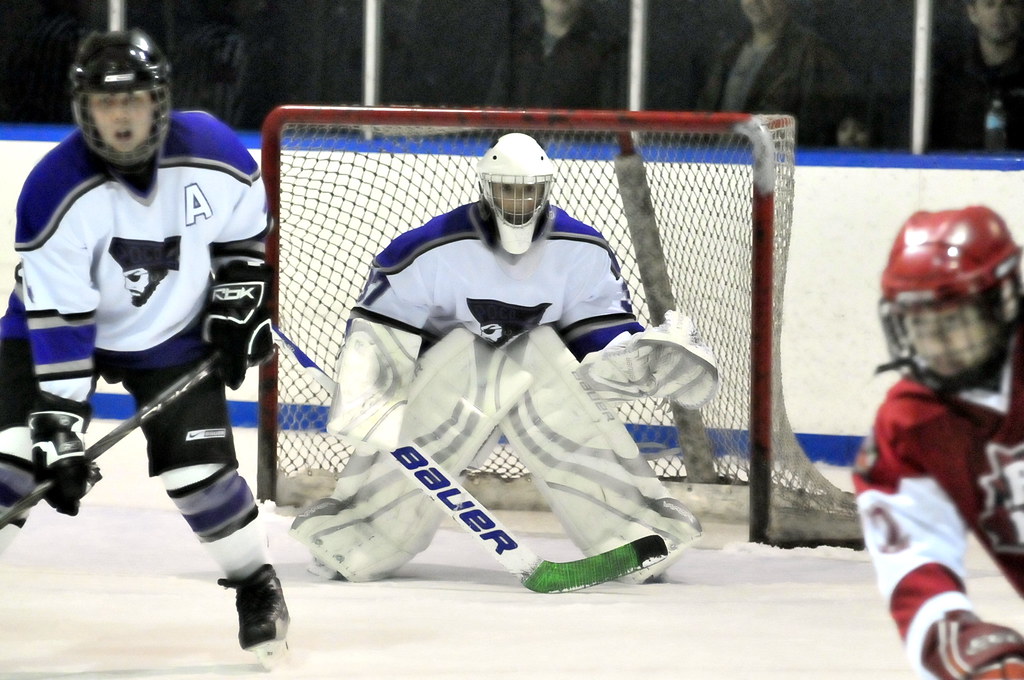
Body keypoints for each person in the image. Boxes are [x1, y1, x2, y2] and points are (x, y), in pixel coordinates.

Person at [289, 132, 718, 584]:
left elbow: (596, 329)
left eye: (528, 189)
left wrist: (635, 357)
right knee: (471, 357)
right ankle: (359, 531)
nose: (518, 199)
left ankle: (630, 529)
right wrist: (369, 390)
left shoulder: (580, 249)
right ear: (487, 187)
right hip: (444, 388)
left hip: (537, 387)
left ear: (545, 189)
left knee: (539, 357)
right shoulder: (429, 249)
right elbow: (381, 329)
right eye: (508, 188)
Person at [0, 29, 288, 666]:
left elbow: (246, 242)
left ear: (160, 101)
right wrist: (61, 433)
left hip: (171, 333)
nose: (122, 116)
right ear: (83, 110)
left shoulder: (215, 152)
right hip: (52, 337)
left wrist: (236, 311)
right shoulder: (53, 191)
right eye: (107, 104)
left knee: (201, 479)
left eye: (133, 99)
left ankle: (256, 584)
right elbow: (61, 325)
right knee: (12, 461)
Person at [854, 205, 1024, 679]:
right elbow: (914, 561)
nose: (940, 346)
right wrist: (948, 637)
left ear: (1002, 302)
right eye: (923, 328)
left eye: (953, 324)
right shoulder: (909, 426)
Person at [695, 0, 867, 147]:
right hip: (721, 171)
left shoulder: (813, 55)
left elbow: (820, 127)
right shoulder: (728, 54)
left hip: (782, 173)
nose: (754, 1)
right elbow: (701, 121)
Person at [485, 0, 626, 109]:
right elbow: (495, 104)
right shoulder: (518, 43)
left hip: (576, 145)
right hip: (516, 143)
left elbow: (607, 121)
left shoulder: (604, 49)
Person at [930, 0, 1024, 151]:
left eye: (1009, 3)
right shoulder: (950, 78)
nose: (999, 13)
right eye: (989, 4)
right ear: (972, 12)